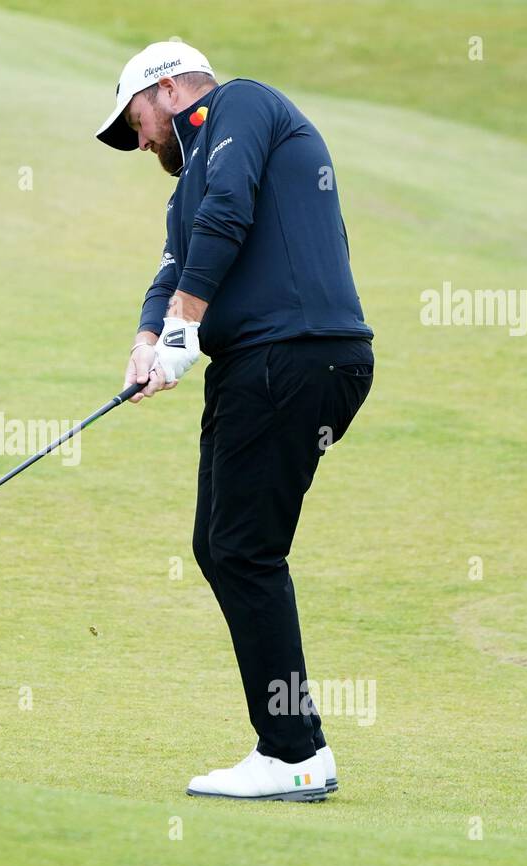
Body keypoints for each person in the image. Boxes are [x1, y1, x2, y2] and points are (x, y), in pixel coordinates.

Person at [95, 42, 376, 801]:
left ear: (167, 87)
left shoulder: (245, 103)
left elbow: (229, 209)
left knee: (245, 549)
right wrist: (150, 340)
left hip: (300, 353)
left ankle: (295, 754)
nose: (142, 139)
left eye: (137, 120)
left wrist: (187, 329)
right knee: (220, 545)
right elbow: (171, 263)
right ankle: (288, 746)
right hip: (256, 367)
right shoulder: (188, 184)